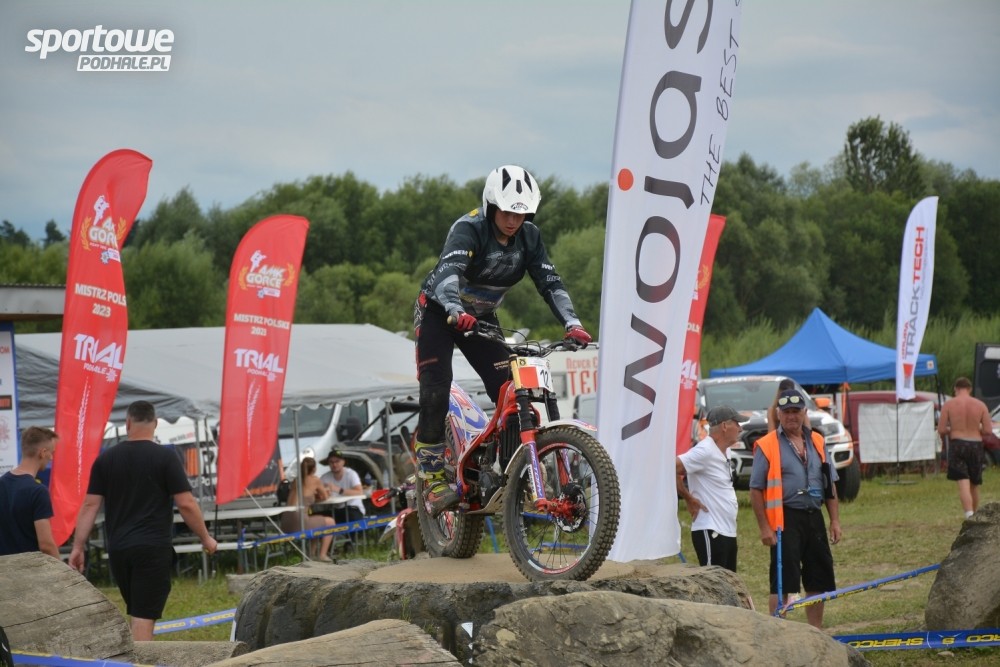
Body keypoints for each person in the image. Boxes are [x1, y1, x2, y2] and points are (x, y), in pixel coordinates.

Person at [412, 164, 592, 515]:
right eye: (507, 212)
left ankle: (508, 470)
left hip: (481, 318)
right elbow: (448, 274)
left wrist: (573, 323)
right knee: (435, 389)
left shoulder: (530, 238)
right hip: (440, 312)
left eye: (521, 214)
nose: (513, 221)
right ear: (492, 206)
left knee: (510, 390)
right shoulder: (468, 229)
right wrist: (454, 308)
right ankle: (431, 478)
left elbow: (550, 283)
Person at [68, 401, 217, 641]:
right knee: (143, 616)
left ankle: (138, 652)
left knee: (138, 611)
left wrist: (77, 547)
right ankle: (140, 658)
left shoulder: (106, 459)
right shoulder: (166, 458)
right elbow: (186, 504)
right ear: (155, 423)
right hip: (152, 548)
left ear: (128, 423)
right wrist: (206, 538)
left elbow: (90, 505)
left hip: (119, 549)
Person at [749, 389, 842, 629]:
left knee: (818, 579)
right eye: (787, 412)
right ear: (778, 414)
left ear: (804, 413)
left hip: (814, 516)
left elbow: (830, 484)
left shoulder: (817, 441)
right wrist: (765, 528)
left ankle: (815, 631)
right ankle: (779, 631)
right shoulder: (767, 445)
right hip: (785, 519)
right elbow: (755, 489)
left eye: (796, 411)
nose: (792, 416)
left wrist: (834, 520)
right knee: (782, 581)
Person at [676, 405, 748, 572]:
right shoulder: (704, 451)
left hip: (727, 531)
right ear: (724, 426)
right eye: (737, 423)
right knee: (714, 584)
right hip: (710, 530)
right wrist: (688, 498)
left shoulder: (725, 450)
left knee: (729, 584)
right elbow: (671, 466)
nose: (740, 428)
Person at [0, 426, 60, 558]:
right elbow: (46, 545)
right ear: (42, 453)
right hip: (29, 567)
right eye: (51, 452)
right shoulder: (38, 491)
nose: (51, 458)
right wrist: (62, 569)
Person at [937, 377, 992, 519]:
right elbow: (987, 430)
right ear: (970, 389)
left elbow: (941, 429)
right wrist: (975, 428)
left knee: (963, 481)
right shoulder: (980, 405)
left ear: (956, 389)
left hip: (958, 444)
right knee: (974, 483)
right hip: (975, 445)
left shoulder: (949, 405)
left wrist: (953, 429)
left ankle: (969, 515)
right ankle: (975, 516)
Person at [281, 456, 335, 561]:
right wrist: (328, 490)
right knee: (330, 522)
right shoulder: (315, 480)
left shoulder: (296, 480)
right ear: (314, 469)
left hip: (285, 522)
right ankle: (322, 555)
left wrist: (314, 496)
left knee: (315, 523)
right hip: (299, 520)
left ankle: (311, 554)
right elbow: (325, 497)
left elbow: (304, 497)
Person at [319, 450, 366, 524]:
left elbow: (359, 492)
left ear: (343, 462)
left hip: (352, 508)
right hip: (335, 509)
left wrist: (339, 490)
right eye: (331, 462)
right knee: (317, 518)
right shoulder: (325, 477)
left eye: (337, 461)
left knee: (350, 517)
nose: (334, 464)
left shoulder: (351, 474)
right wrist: (323, 493)